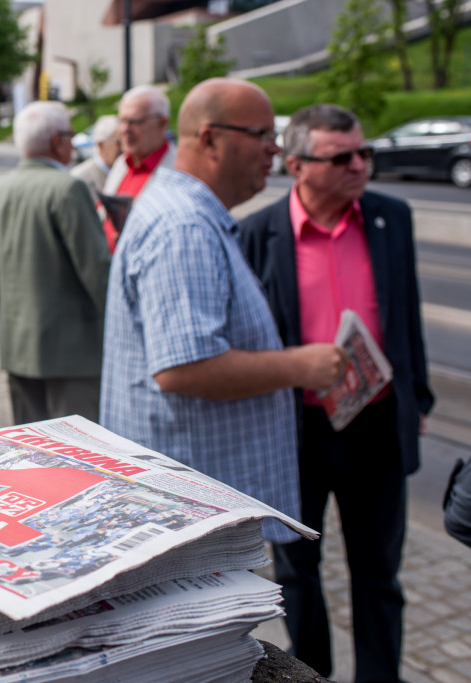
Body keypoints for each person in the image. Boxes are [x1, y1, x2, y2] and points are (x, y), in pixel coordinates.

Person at [99, 78, 346, 545]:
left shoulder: (186, 212)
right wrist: (301, 366)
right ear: (210, 139)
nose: (274, 149)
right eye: (262, 135)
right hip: (194, 514)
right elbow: (184, 368)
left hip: (194, 503)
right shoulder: (184, 225)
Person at [239, 104, 434, 683]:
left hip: (375, 423)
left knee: (378, 575)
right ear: (297, 165)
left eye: (364, 152)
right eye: (342, 156)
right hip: (297, 430)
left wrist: (416, 399)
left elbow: (407, 318)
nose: (360, 165)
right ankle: (313, 676)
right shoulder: (257, 233)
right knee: (298, 573)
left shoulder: (389, 217)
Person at [0, 101, 110, 423]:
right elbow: (97, 271)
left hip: (18, 346)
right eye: (69, 135)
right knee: (80, 454)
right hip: (73, 354)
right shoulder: (69, 189)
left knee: (33, 451)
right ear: (57, 141)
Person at [98, 85, 176, 252]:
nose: (125, 130)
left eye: (134, 122)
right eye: (122, 121)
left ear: (162, 123)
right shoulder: (122, 164)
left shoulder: (177, 170)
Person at [70, 114, 120, 203]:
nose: (124, 148)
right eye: (119, 143)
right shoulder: (79, 179)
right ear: (101, 145)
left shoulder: (124, 170)